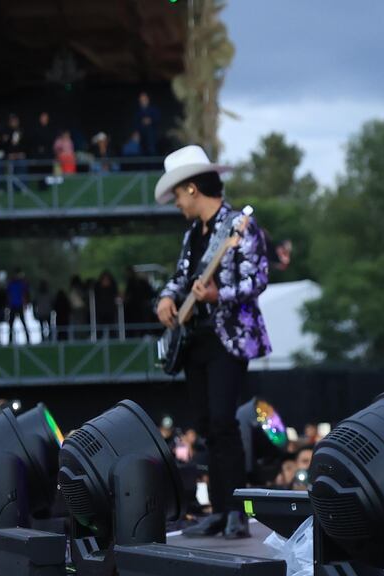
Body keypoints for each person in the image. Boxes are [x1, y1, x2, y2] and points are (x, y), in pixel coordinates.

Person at [154, 145, 271, 538]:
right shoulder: (193, 234)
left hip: (229, 338)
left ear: (191, 188)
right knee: (206, 425)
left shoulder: (238, 225)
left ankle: (237, 510)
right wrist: (166, 298)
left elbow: (258, 278)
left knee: (223, 421)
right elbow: (181, 277)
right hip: (195, 340)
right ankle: (220, 510)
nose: (176, 203)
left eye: (177, 194)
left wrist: (218, 294)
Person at [6, 268, 31, 344]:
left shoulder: (21, 283)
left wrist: (25, 303)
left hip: (19, 305)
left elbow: (25, 293)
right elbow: (8, 295)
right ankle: (10, 340)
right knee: (11, 324)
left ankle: (28, 339)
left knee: (22, 322)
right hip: (14, 306)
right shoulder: (12, 284)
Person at [135, 92, 160, 156]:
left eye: (144, 99)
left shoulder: (153, 109)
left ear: (148, 99)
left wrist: (150, 120)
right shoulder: (138, 111)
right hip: (141, 137)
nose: (143, 101)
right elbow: (136, 123)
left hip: (152, 136)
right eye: (141, 99)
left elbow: (157, 119)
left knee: (152, 151)